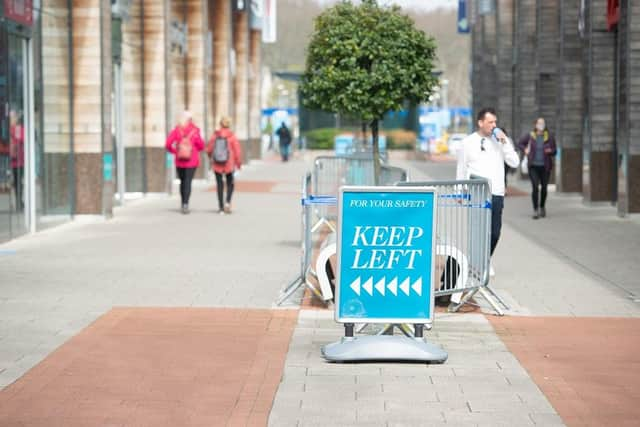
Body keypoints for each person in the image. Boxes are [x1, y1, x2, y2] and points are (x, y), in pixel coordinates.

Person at [456, 107, 520, 264]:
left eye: (495, 122)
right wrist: (459, 191)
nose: (494, 125)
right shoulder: (468, 142)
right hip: (477, 193)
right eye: (490, 122)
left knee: (495, 232)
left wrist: (504, 142)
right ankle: (478, 263)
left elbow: (514, 162)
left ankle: (484, 260)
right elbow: (462, 167)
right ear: (480, 123)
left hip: (496, 192)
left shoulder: (501, 141)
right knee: (478, 231)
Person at [165, 111, 205, 214]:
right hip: (192, 161)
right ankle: (186, 204)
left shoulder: (177, 130)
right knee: (188, 182)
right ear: (190, 119)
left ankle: (183, 202)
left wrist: (175, 151)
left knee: (182, 182)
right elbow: (201, 146)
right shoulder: (195, 131)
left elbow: (168, 144)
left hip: (179, 160)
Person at [518, 117, 557, 219]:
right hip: (533, 166)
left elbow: (555, 150)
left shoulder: (549, 136)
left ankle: (542, 207)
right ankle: (535, 210)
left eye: (543, 123)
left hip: (545, 166)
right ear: (535, 124)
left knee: (544, 188)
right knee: (535, 187)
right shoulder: (530, 136)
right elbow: (520, 143)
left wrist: (550, 151)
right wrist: (525, 149)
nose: (541, 125)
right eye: (539, 123)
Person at [207, 116, 242, 215]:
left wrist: (211, 157)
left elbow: (209, 149)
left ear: (220, 124)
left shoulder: (215, 135)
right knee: (230, 183)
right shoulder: (232, 136)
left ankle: (221, 207)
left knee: (219, 185)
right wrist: (238, 163)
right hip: (229, 164)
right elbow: (237, 151)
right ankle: (227, 202)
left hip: (217, 163)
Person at [9, 110, 24, 211]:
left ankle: (19, 201)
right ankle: (19, 201)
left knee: (18, 182)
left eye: (13, 117)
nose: (11, 120)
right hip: (14, 160)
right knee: (16, 182)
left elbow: (21, 140)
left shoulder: (17, 129)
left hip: (19, 160)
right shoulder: (10, 129)